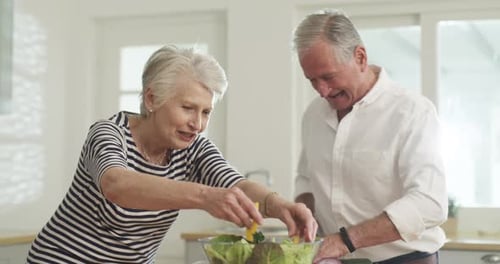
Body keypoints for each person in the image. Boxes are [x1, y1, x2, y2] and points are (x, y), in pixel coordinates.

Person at [26, 45, 317, 263]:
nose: (198, 123)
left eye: (206, 112)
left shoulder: (193, 148)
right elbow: (118, 185)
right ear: (152, 98)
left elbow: (236, 185)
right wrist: (205, 197)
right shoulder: (108, 133)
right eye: (188, 108)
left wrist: (277, 205)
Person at [292, 9, 447, 264]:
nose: (321, 91)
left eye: (328, 77)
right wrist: (304, 216)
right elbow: (307, 180)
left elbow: (429, 203)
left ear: (360, 58)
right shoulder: (314, 115)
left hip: (406, 259)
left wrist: (346, 240)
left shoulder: (412, 112)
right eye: (312, 80)